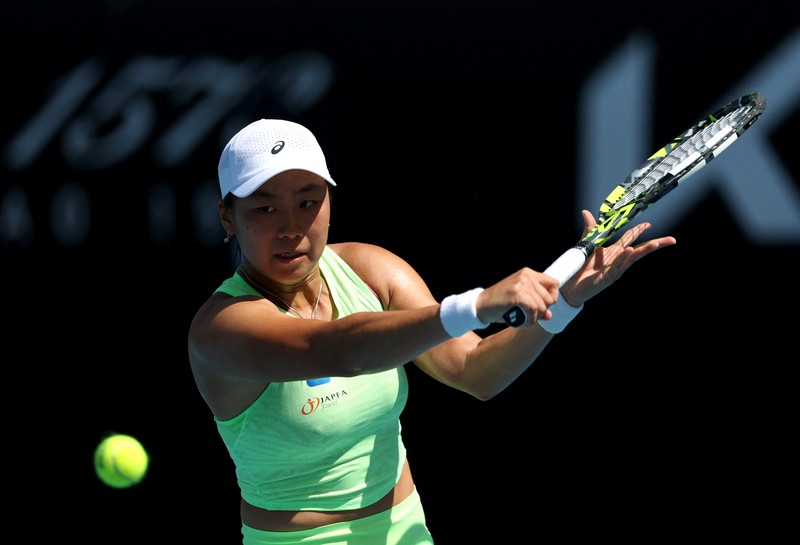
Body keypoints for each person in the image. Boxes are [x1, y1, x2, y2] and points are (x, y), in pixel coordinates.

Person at [187, 118, 677, 545]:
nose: (291, 227)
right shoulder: (222, 328)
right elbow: (338, 350)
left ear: (330, 202)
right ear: (228, 217)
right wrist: (475, 305)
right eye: (264, 209)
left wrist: (564, 302)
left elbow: (474, 370)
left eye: (307, 202)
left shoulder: (371, 270)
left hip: (405, 529)